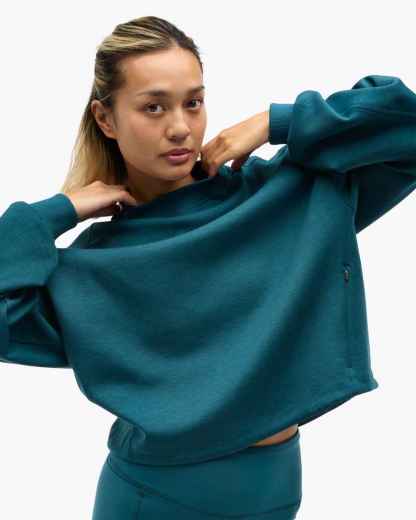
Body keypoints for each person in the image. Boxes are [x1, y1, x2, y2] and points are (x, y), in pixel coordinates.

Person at [1, 15, 415, 520]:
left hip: (276, 493)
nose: (180, 127)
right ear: (106, 120)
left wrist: (275, 121)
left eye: (193, 102)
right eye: (154, 107)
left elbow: (406, 124)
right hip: (156, 498)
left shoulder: (282, 194)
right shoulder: (96, 261)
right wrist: (50, 213)